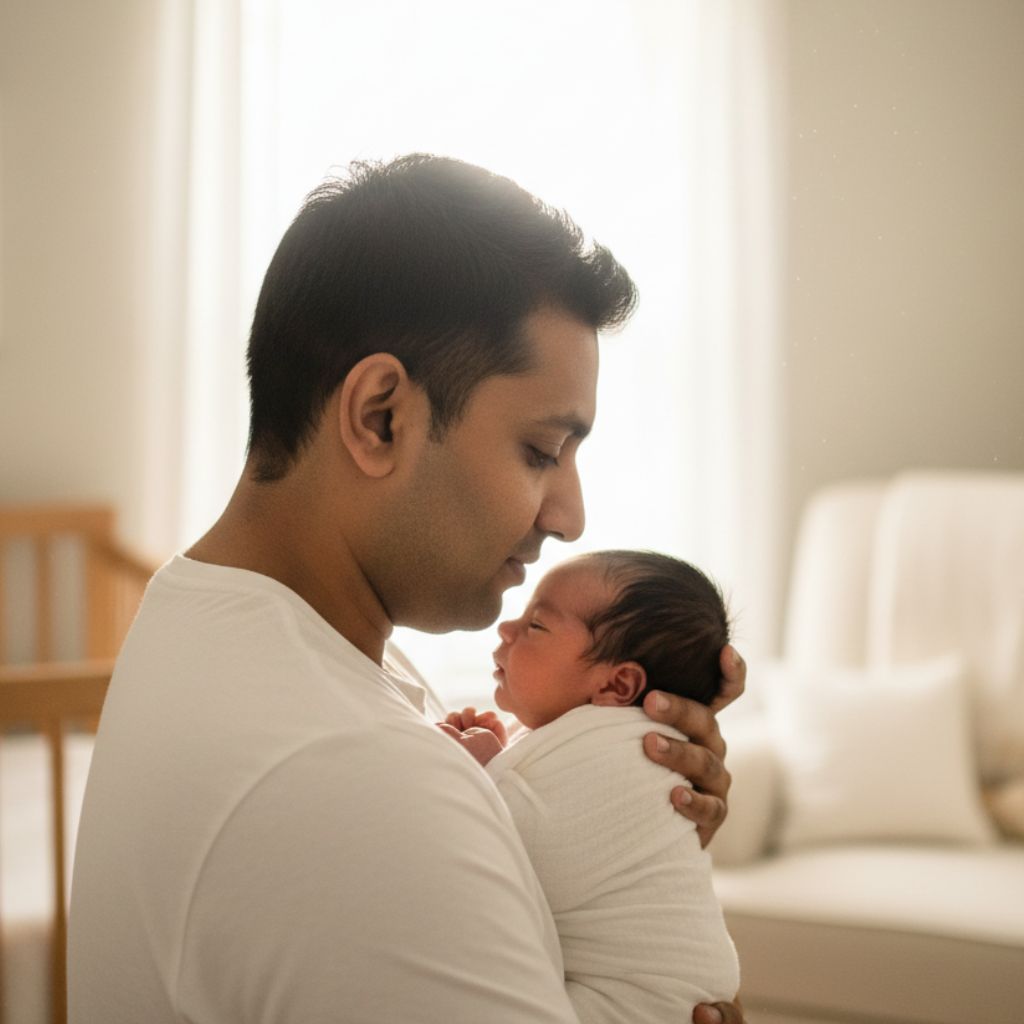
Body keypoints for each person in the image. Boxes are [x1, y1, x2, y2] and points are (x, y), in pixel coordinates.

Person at [67, 154, 747, 1024]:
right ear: (380, 415)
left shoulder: (208, 615)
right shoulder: (359, 781)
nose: (571, 516)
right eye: (541, 450)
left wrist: (629, 842)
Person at [440, 551, 740, 1022]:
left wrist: (474, 768)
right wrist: (495, 763)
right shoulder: (599, 737)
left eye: (537, 626)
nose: (506, 629)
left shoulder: (624, 754)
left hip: (637, 1000)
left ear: (619, 685)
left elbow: (508, 848)